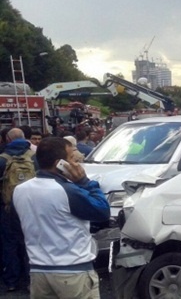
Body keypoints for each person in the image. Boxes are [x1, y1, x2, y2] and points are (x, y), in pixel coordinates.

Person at [12, 137, 110, 298]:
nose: (76, 162)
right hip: (73, 271)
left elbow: (18, 228)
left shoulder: (20, 190)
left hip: (38, 271)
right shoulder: (68, 190)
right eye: (71, 158)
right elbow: (102, 211)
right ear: (60, 163)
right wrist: (85, 182)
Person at [0, 128, 36, 292]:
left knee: (10, 244)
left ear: (7, 139)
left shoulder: (2, 159)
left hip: (8, 208)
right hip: (32, 207)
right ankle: (31, 279)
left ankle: (12, 280)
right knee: (31, 242)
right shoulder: (35, 157)